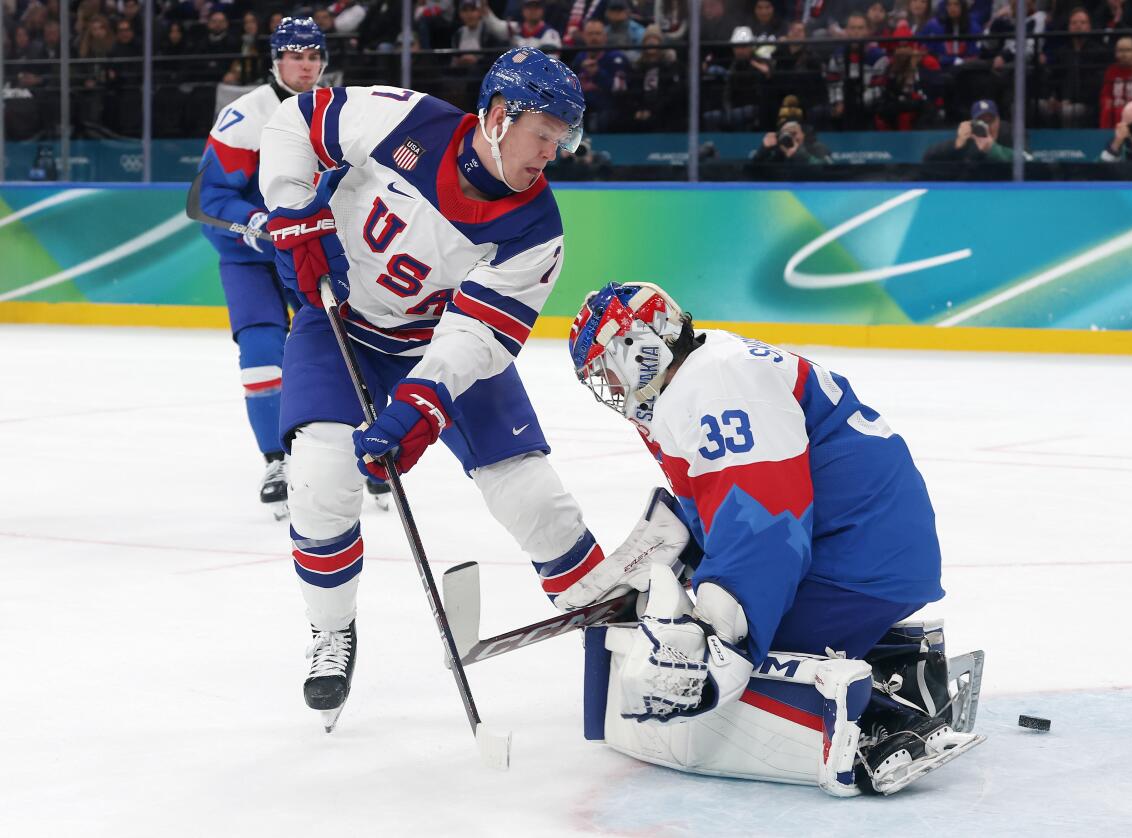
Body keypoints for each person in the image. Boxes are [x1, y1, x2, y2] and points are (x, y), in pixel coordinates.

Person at [258, 47, 688, 729]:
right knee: (317, 482)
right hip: (339, 323)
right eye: (542, 134)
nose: (551, 154)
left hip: (439, 346)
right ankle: (332, 629)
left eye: (561, 140)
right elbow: (293, 122)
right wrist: (290, 205)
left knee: (532, 494)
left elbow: (476, 338)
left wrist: (421, 402)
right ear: (496, 116)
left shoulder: (536, 229)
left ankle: (608, 621)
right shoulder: (403, 120)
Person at [567, 282, 984, 796]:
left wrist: (724, 637)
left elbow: (764, 519)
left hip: (855, 558)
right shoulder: (703, 369)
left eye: (605, 364)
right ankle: (902, 662)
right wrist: (677, 553)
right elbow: (730, 502)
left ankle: (884, 717)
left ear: (638, 345)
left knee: (688, 672)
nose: (606, 382)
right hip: (865, 544)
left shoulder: (715, 384)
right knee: (704, 637)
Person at [197, 17, 335, 520]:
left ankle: (355, 453)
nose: (306, 65)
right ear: (276, 60)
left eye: (314, 56)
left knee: (340, 349)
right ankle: (276, 461)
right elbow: (209, 198)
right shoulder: (244, 115)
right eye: (296, 55)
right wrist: (255, 221)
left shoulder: (338, 111)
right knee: (260, 353)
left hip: (309, 253)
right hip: (251, 257)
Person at [921, 97, 1015, 162]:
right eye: (981, 121)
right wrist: (956, 145)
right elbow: (929, 157)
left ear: (998, 120)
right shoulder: (968, 140)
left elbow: (1027, 160)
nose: (987, 126)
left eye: (991, 120)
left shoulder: (1009, 134)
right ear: (972, 123)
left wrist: (992, 148)